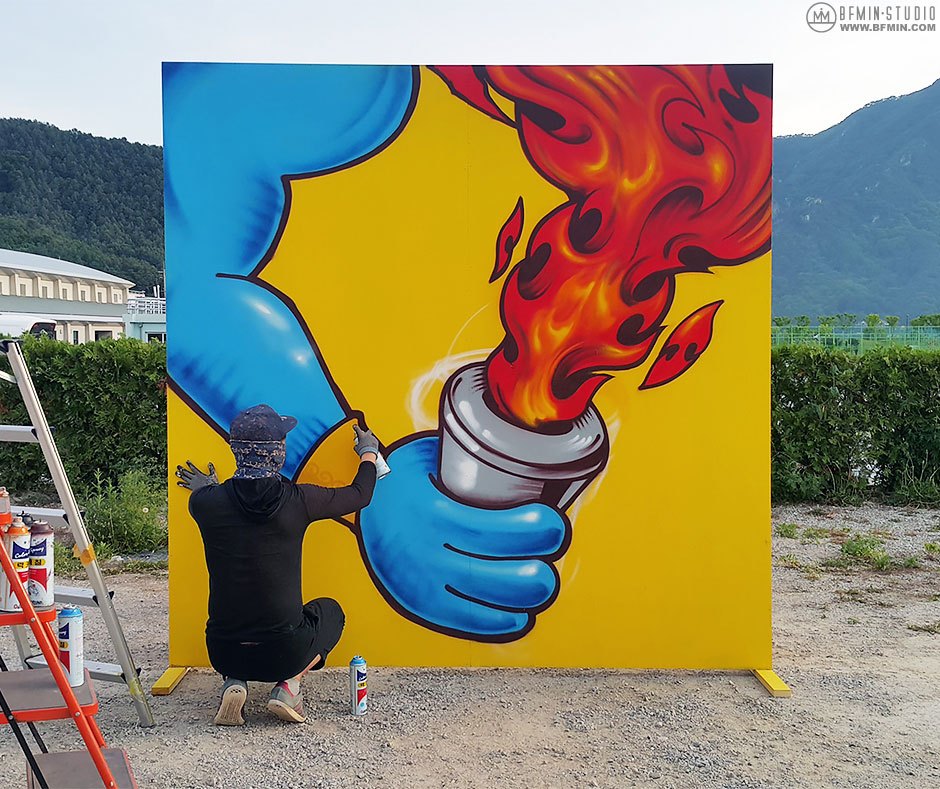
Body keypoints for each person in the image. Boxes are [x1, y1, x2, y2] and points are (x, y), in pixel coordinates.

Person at [176, 403, 379, 725]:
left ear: (236, 451)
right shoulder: (299, 500)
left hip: (222, 650)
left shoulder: (204, 503)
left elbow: (216, 497)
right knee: (330, 611)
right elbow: (359, 495)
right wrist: (368, 452)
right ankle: (288, 687)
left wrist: (208, 487)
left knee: (237, 621)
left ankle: (234, 683)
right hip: (283, 653)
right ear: (277, 453)